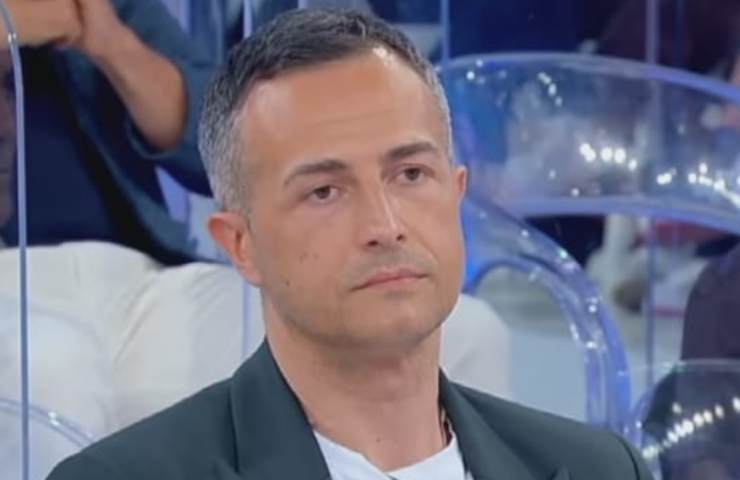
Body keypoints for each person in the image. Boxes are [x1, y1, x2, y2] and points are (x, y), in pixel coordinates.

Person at [47, 9, 653, 480]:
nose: (384, 225)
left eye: (410, 174)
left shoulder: (600, 468)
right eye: (324, 192)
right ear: (241, 245)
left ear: (456, 194)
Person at [0, 0, 214, 265]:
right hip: (18, 273)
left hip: (135, 267)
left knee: (241, 287)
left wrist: (111, 43)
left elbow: (229, 151)